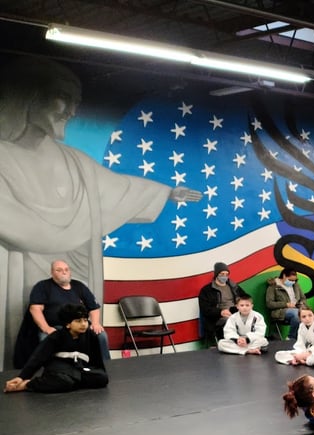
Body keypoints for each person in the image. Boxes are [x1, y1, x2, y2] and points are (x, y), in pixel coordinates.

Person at [0, 58, 201, 369]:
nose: (71, 111)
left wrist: (166, 193)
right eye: (63, 97)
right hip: (20, 267)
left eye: (76, 102)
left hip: (79, 263)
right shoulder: (4, 156)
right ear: (31, 98)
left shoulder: (75, 161)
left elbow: (118, 188)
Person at [13, 259, 109, 366]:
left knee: (101, 335)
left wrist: (95, 323)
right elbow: (35, 309)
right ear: (52, 273)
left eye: (66, 269)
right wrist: (46, 328)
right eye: (59, 270)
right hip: (54, 327)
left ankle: (105, 366)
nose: (64, 272)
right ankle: (48, 371)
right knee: (46, 338)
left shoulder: (79, 286)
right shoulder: (42, 286)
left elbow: (93, 307)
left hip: (78, 325)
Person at [4, 303, 108, 394]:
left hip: (79, 368)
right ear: (68, 324)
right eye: (78, 321)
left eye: (85, 320)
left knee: (102, 378)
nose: (83, 324)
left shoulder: (91, 336)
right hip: (59, 369)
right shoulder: (56, 337)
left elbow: (97, 359)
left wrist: (99, 373)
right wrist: (22, 377)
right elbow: (38, 358)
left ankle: (72, 382)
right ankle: (29, 384)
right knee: (64, 381)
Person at [198, 262, 242, 341]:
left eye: (226, 274)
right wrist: (220, 312)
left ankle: (249, 340)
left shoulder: (233, 286)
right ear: (216, 274)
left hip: (235, 312)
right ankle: (236, 341)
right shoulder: (207, 290)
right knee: (231, 321)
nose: (224, 276)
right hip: (218, 317)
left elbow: (246, 298)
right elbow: (205, 309)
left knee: (252, 317)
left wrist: (240, 305)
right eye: (222, 274)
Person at [265, 268, 307, 340]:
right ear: (284, 276)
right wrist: (286, 304)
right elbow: (269, 303)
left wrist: (302, 304)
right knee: (297, 314)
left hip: (297, 308)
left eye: (294, 280)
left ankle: (308, 338)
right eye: (290, 280)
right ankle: (291, 338)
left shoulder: (296, 285)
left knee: (310, 314)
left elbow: (303, 298)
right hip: (280, 311)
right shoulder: (273, 286)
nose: (292, 282)